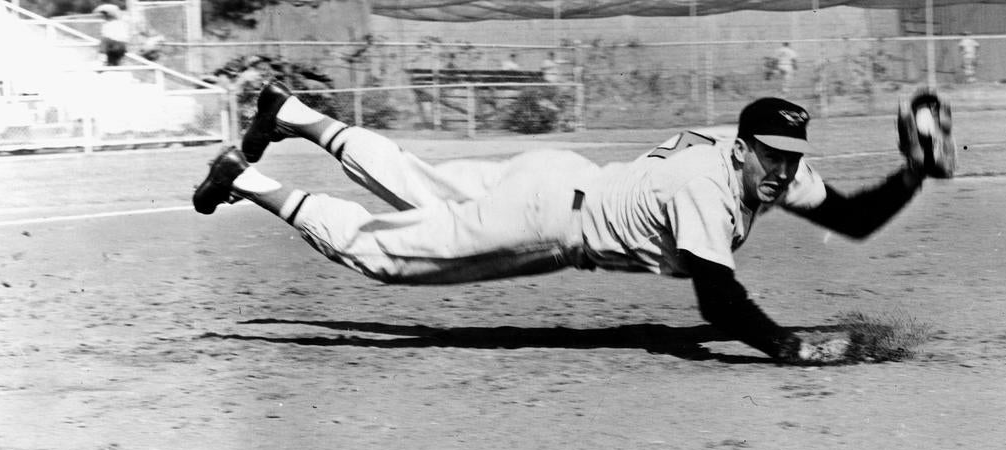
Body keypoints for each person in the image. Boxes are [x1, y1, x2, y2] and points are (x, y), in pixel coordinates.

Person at [192, 81, 953, 364]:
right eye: (775, 156)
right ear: (744, 146)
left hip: (559, 174)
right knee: (387, 257)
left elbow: (849, 216)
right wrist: (783, 344)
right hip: (548, 218)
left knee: (415, 181)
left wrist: (914, 174)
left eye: (794, 156)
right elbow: (717, 297)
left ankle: (290, 113)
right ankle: (248, 177)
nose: (786, 171)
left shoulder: (752, 160)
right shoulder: (708, 185)